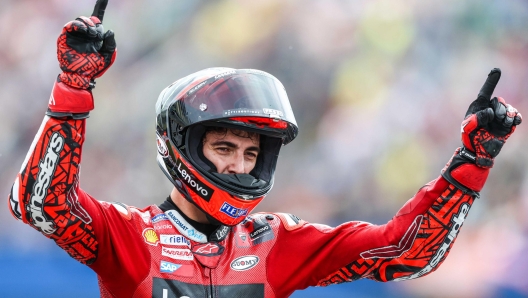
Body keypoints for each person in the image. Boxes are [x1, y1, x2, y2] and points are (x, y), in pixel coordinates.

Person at [8, 1, 523, 297]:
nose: (237, 164)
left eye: (251, 154)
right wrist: (73, 89)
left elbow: (407, 254)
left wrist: (473, 162)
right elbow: (38, 205)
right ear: (181, 147)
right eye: (224, 146)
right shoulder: (126, 234)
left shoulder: (277, 242)